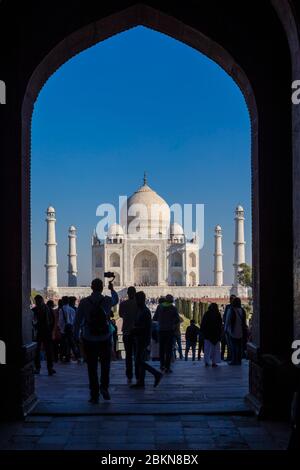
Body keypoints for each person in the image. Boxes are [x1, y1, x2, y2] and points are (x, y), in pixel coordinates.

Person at [74, 278, 119, 402]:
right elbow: (116, 300)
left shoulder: (84, 302)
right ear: (102, 287)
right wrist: (112, 289)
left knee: (92, 367)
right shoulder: (107, 300)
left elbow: (77, 321)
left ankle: (94, 393)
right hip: (104, 337)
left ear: (91, 287)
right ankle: (104, 387)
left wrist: (75, 337)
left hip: (89, 337)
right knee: (105, 365)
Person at [131, 291, 162, 388]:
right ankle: (141, 382)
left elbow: (145, 327)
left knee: (139, 361)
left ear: (140, 299)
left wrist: (134, 330)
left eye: (136, 299)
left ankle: (156, 374)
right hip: (140, 338)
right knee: (140, 360)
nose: (135, 301)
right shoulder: (141, 310)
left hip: (143, 339)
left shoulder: (145, 311)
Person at [153, 294, 180, 373]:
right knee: (168, 350)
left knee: (161, 349)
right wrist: (172, 323)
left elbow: (155, 318)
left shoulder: (159, 307)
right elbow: (177, 320)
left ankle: (162, 365)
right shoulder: (173, 308)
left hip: (161, 331)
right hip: (169, 331)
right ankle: (167, 367)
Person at [119, 286, 138, 384]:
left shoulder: (123, 304)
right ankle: (139, 375)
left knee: (129, 355)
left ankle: (129, 375)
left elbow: (121, 315)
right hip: (137, 332)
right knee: (138, 355)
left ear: (127, 293)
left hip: (127, 331)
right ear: (135, 293)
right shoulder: (139, 304)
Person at [32, 295, 55, 376]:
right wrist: (51, 331)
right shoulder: (49, 309)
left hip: (40, 333)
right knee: (47, 351)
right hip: (46, 332)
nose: (38, 303)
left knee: (39, 351)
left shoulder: (34, 310)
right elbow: (53, 321)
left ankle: (40, 368)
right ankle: (49, 368)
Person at [225, 297, 247, 365]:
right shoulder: (242, 310)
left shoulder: (231, 310)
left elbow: (227, 321)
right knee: (240, 347)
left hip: (233, 331)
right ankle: (239, 360)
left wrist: (225, 329)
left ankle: (234, 360)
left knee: (233, 346)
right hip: (241, 331)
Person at [58, 296, 80, 362]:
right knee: (72, 344)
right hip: (70, 329)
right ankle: (77, 356)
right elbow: (74, 321)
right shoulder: (72, 310)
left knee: (63, 344)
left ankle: (63, 357)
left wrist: (61, 328)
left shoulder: (61, 310)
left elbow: (60, 321)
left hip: (64, 330)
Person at [200, 303, 222, 367]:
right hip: (215, 335)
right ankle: (214, 362)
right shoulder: (218, 314)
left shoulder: (207, 314)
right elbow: (220, 325)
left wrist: (203, 332)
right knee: (215, 350)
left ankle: (207, 362)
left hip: (208, 335)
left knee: (207, 349)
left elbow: (203, 324)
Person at [221, 294, 236, 361]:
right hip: (233, 329)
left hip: (231, 328)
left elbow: (225, 318)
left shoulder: (229, 307)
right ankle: (232, 357)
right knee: (231, 344)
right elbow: (224, 317)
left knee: (231, 344)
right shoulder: (238, 308)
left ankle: (231, 357)